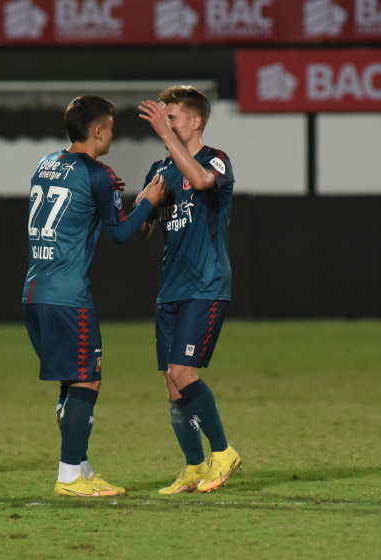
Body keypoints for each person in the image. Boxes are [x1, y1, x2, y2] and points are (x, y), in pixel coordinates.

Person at [22, 95, 166, 497]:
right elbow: (122, 234)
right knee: (87, 380)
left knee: (71, 383)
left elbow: (75, 201)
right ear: (98, 130)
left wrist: (109, 195)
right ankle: (69, 476)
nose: (113, 135)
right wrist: (147, 202)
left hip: (35, 290)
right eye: (111, 128)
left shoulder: (45, 163)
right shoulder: (98, 174)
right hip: (68, 296)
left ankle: (81, 469)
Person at [137, 85, 241, 494]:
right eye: (163, 117)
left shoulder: (215, 158)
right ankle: (195, 466)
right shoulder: (159, 170)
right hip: (170, 289)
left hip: (206, 284)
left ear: (195, 122)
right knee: (171, 380)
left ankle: (223, 452)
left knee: (183, 371)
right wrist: (141, 207)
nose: (165, 123)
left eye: (172, 117)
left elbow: (199, 181)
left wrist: (165, 135)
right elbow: (143, 231)